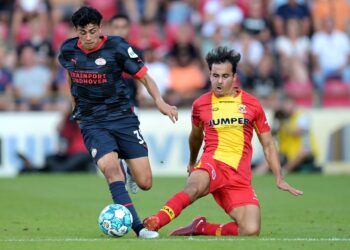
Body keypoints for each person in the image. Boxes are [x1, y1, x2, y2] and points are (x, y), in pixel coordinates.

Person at [143, 46, 303, 237]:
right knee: (193, 187)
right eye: (215, 75)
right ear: (209, 75)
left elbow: (268, 144)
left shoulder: (252, 104)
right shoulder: (201, 104)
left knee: (250, 229)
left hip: (238, 176)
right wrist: (193, 162)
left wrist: (279, 177)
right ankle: (156, 221)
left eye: (225, 76)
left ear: (234, 77)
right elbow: (195, 137)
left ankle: (200, 227)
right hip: (213, 163)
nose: (219, 81)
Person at [58, 6, 178, 239]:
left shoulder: (118, 47)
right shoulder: (67, 50)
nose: (89, 37)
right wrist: (74, 107)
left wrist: (160, 102)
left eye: (93, 31)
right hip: (92, 122)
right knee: (112, 172)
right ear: (76, 31)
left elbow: (144, 76)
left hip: (122, 118)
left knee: (145, 183)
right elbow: (69, 75)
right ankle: (138, 228)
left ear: (100, 29)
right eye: (83, 33)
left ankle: (130, 171)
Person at [108, 13, 144, 194]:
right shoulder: (104, 50)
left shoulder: (135, 51)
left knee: (127, 139)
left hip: (128, 102)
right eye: (117, 27)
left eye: (123, 27)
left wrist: (141, 91)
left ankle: (129, 169)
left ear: (129, 29)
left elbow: (140, 76)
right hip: (107, 104)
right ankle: (122, 171)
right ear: (110, 28)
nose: (120, 31)